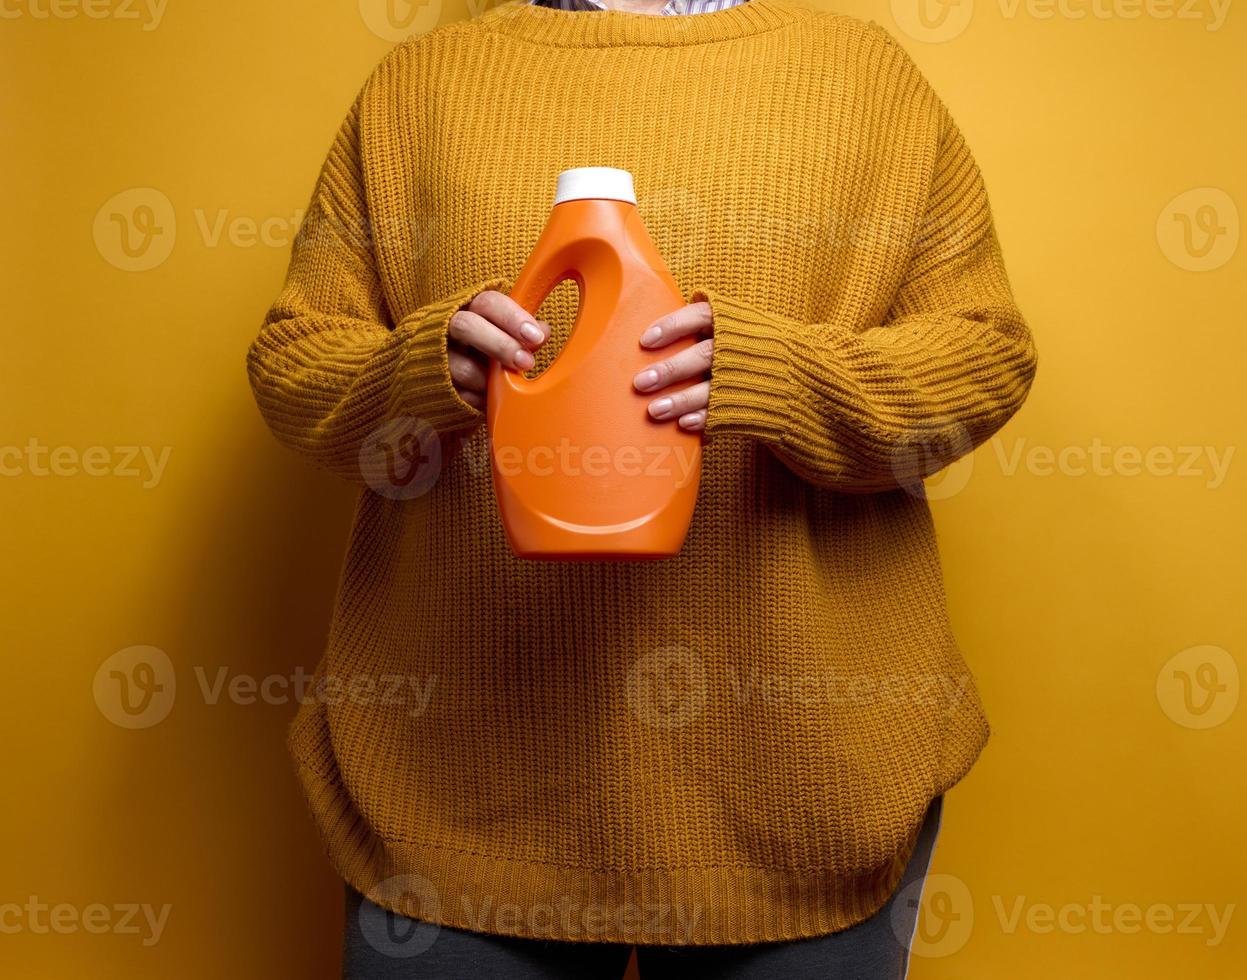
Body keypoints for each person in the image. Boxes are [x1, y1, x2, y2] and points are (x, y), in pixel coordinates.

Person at [246, 0, 1038, 974]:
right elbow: (293, 367)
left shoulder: (866, 78)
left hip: (800, 778)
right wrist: (421, 371)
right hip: (455, 777)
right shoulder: (419, 86)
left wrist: (781, 377)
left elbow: (983, 358)